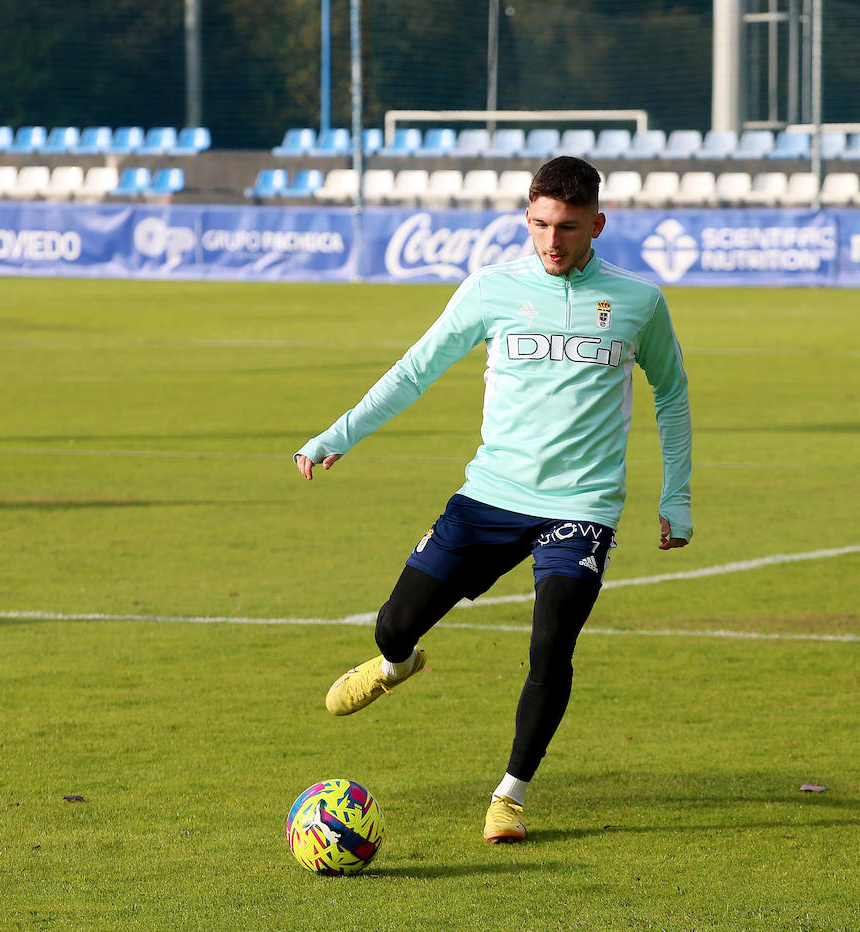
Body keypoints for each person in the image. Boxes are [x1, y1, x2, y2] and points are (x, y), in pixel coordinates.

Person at [294, 155, 692, 844]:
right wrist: (340, 433)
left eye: (567, 227)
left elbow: (673, 395)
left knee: (551, 649)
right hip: (489, 497)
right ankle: (397, 664)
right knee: (394, 623)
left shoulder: (639, 302)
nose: (552, 241)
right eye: (539, 224)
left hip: (583, 508)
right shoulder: (492, 289)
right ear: (525, 218)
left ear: (597, 223)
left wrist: (675, 497)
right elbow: (417, 368)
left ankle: (510, 794)